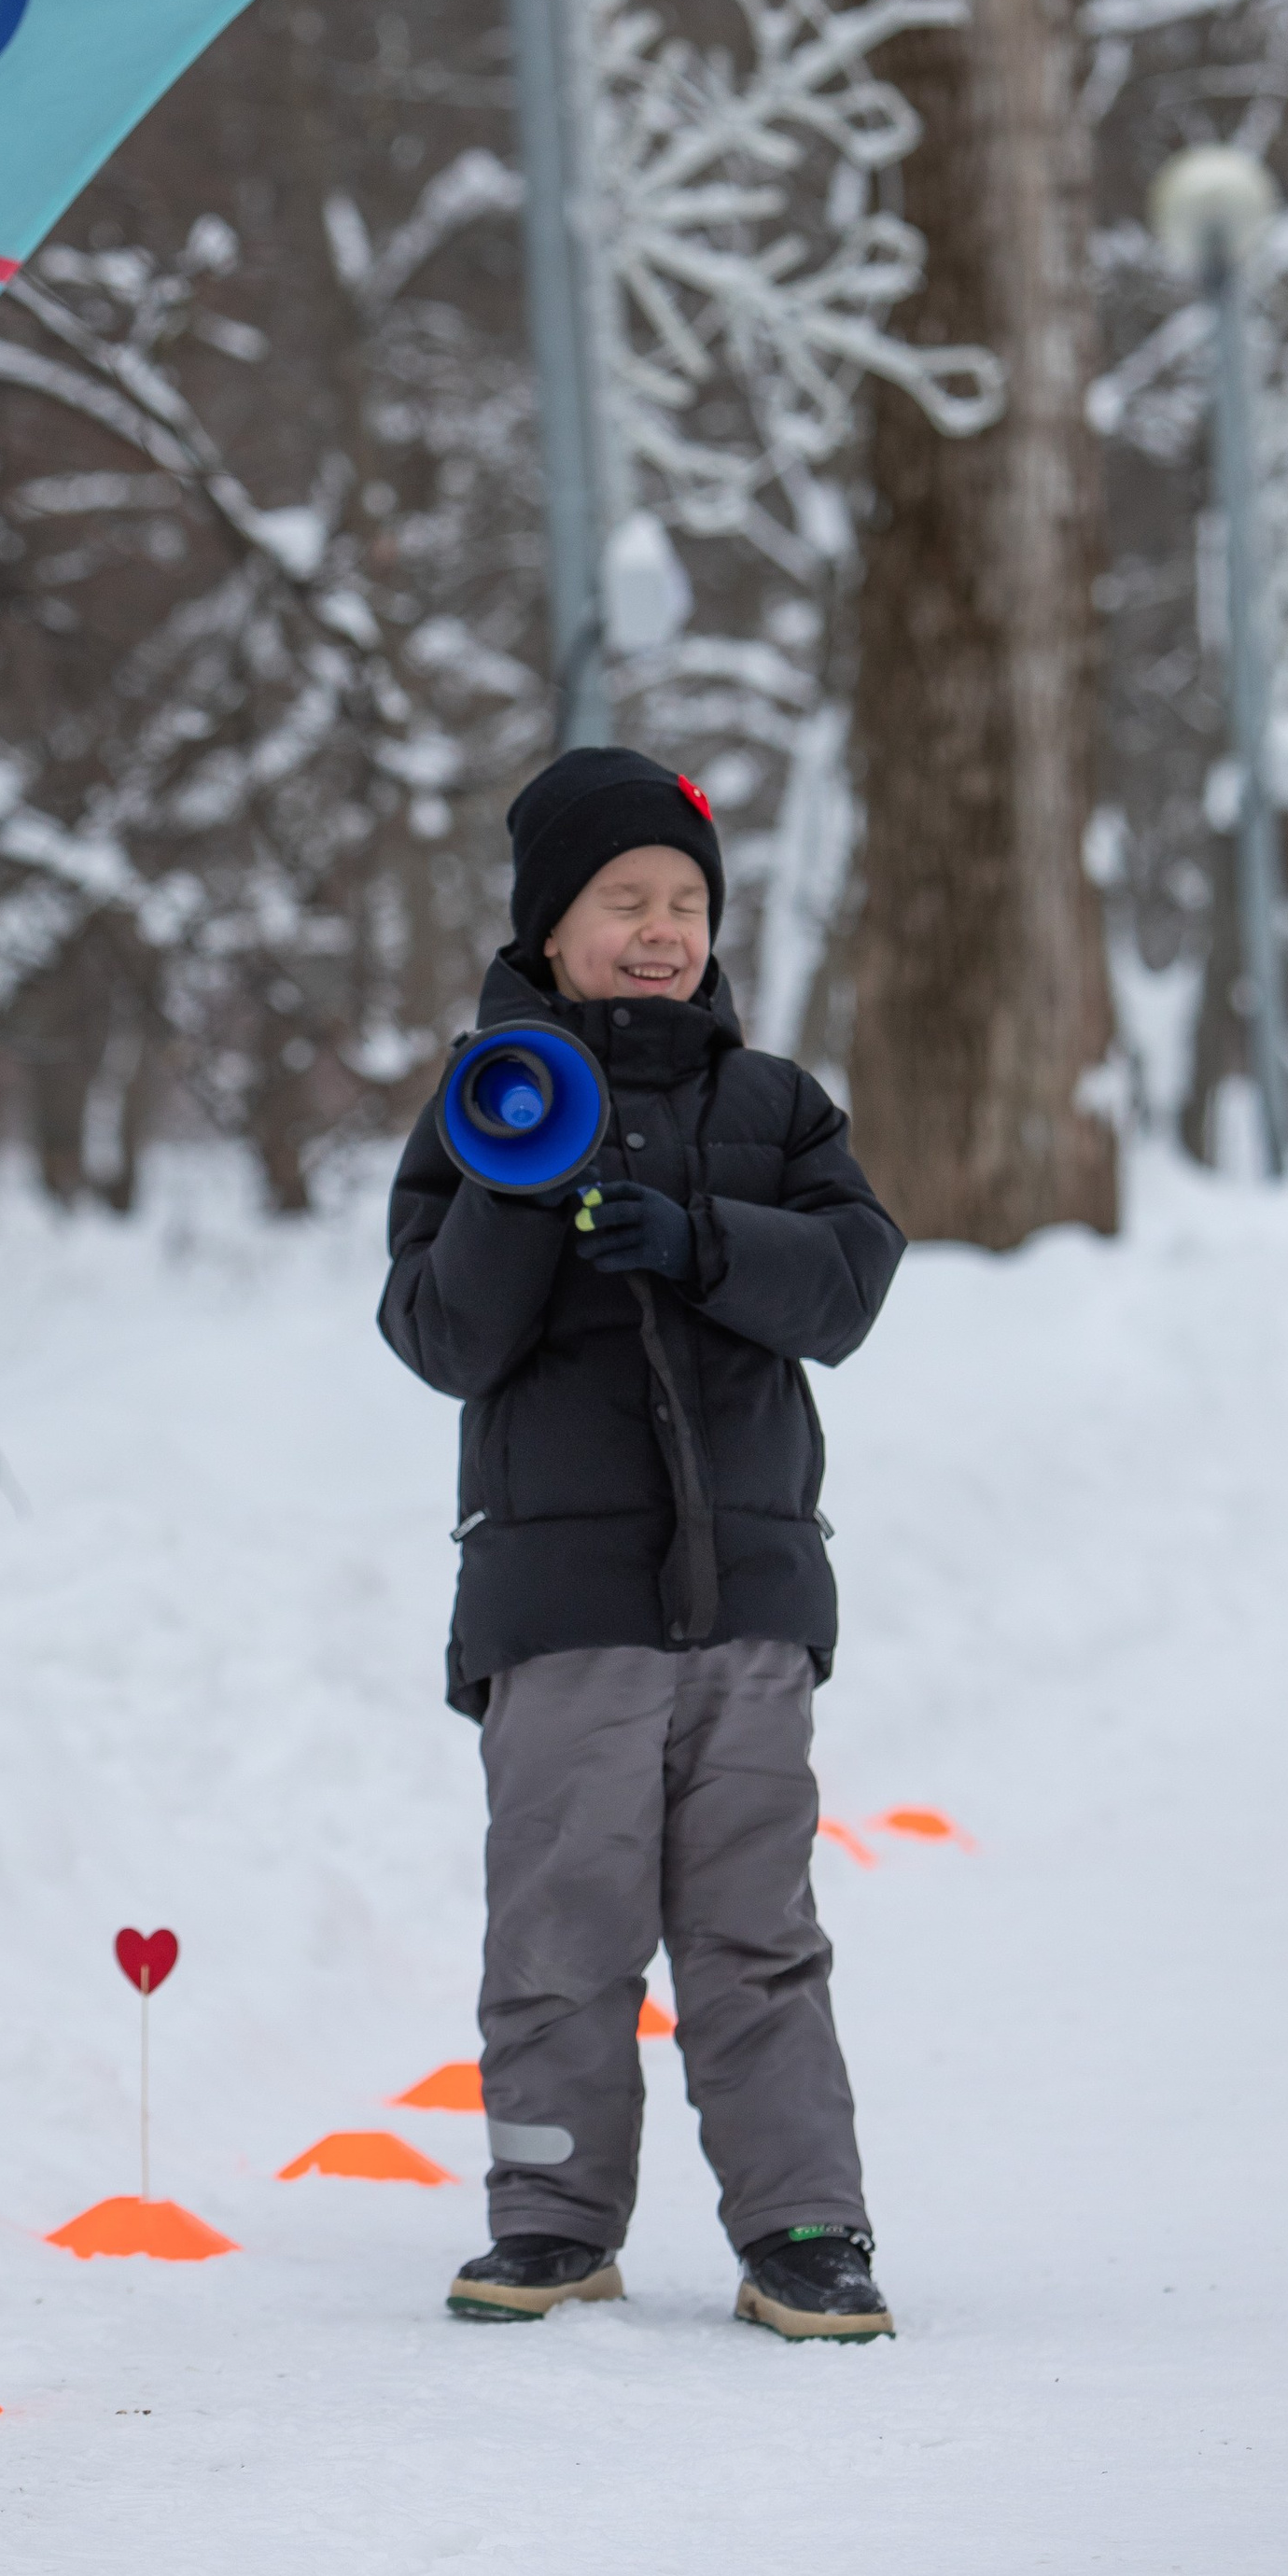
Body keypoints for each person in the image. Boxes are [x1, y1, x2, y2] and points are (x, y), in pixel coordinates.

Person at [379, 746, 906, 2340]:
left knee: (758, 1934)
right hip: (564, 1610)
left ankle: (806, 2226)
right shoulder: (483, 1101)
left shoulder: (776, 1106)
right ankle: (549, 2217)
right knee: (561, 1929)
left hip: (747, 1602)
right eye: (626, 901)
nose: (663, 928)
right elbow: (441, 1336)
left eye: (687, 901)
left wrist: (703, 1245)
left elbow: (850, 1285)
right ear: (551, 928)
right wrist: (524, 1178)